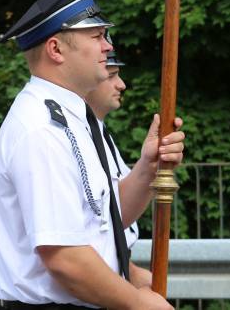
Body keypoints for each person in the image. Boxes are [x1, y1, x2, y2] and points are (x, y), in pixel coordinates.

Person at [0, 0, 185, 310]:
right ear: (56, 49)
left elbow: (106, 217)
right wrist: (137, 304)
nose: (108, 46)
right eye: (96, 36)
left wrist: (148, 168)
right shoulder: (41, 129)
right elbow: (66, 257)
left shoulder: (73, 117)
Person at [85, 45, 152, 286]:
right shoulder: (71, 138)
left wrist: (129, 271)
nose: (121, 84)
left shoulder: (101, 134)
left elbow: (116, 213)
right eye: (111, 75)